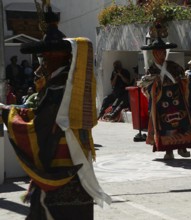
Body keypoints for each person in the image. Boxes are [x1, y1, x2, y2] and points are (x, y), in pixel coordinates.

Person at [1, 5, 110, 219]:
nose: (42, 60)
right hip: (74, 158)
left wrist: (8, 114)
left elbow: (40, 124)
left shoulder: (60, 87)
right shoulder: (65, 83)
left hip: (59, 163)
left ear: (54, 56)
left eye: (45, 55)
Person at [139, 24, 191, 160]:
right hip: (161, 102)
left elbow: (183, 78)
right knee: (164, 125)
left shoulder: (173, 66)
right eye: (158, 52)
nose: (161, 54)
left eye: (163, 52)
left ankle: (182, 147)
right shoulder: (151, 70)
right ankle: (168, 151)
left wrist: (187, 78)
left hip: (177, 99)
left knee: (182, 123)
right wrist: (154, 83)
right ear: (154, 53)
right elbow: (145, 86)